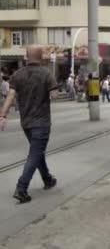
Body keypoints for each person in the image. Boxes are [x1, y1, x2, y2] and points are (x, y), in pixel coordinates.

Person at [0, 45, 59, 203]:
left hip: (26, 122)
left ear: (26, 57)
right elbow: (54, 95)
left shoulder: (17, 75)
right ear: (41, 57)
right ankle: (21, 188)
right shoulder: (47, 73)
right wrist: (51, 90)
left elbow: (10, 96)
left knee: (37, 152)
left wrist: (3, 115)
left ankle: (47, 179)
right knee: (35, 153)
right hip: (42, 122)